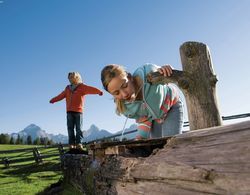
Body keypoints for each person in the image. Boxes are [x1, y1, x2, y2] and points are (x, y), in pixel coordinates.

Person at [101, 63, 183, 140]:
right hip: (154, 118)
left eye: (125, 86)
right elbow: (145, 120)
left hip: (172, 106)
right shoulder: (126, 109)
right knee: (158, 146)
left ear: (129, 77)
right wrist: (140, 138)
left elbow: (171, 75)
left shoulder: (148, 72)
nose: (124, 94)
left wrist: (168, 69)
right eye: (116, 93)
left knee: (172, 143)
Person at [50, 72, 103, 150]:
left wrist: (99, 91)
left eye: (71, 77)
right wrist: (53, 100)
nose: (70, 79)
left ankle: (79, 144)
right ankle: (71, 144)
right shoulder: (67, 88)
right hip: (69, 112)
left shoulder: (82, 87)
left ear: (76, 77)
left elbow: (90, 89)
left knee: (79, 129)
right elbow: (61, 95)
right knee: (70, 128)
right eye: (69, 78)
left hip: (78, 112)